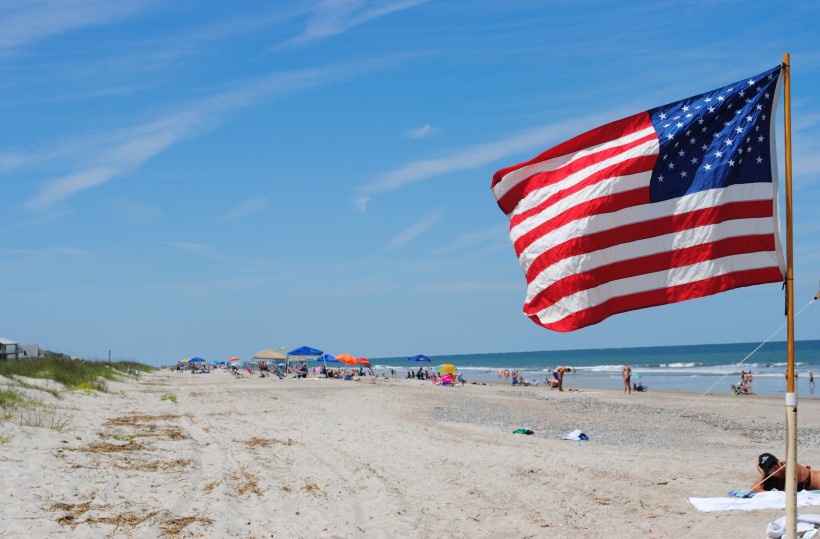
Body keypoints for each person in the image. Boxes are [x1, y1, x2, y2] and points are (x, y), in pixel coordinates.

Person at [751, 452, 820, 492]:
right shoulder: (771, 477)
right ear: (767, 472)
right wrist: (762, 475)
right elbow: (754, 489)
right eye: (769, 468)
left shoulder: (791, 468)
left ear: (778, 461)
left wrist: (761, 491)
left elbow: (787, 496)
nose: (774, 468)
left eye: (774, 463)